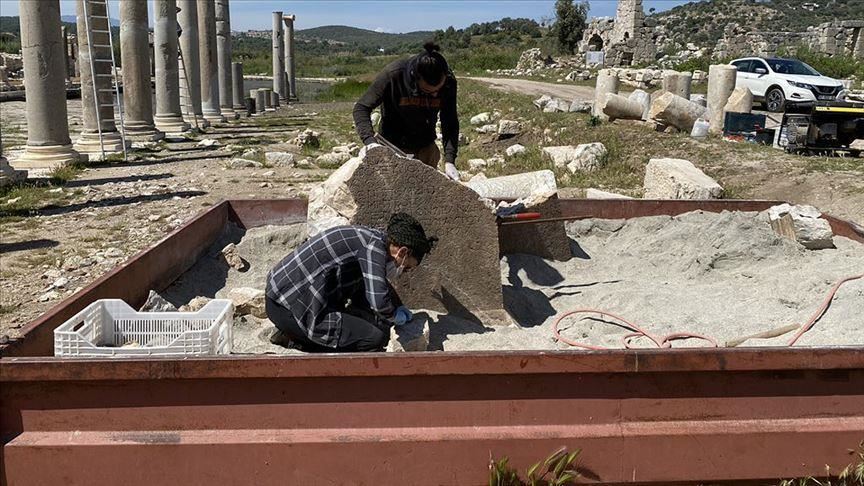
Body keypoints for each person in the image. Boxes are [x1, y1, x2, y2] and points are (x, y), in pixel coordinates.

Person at [265, 213, 438, 352]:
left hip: (280, 298)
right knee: (373, 338)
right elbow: (379, 303)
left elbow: (373, 285)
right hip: (291, 306)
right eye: (406, 268)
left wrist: (397, 305)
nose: (402, 273)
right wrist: (394, 315)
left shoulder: (371, 239)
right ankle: (298, 341)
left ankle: (295, 334)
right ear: (402, 252)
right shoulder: (373, 249)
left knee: (373, 323)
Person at [353, 42, 461, 181]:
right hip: (392, 148)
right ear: (415, 79)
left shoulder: (448, 81)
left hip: (426, 148)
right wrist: (371, 143)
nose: (435, 95)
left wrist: (449, 161)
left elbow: (450, 120)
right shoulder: (393, 75)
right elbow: (361, 107)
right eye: (428, 91)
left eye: (438, 90)